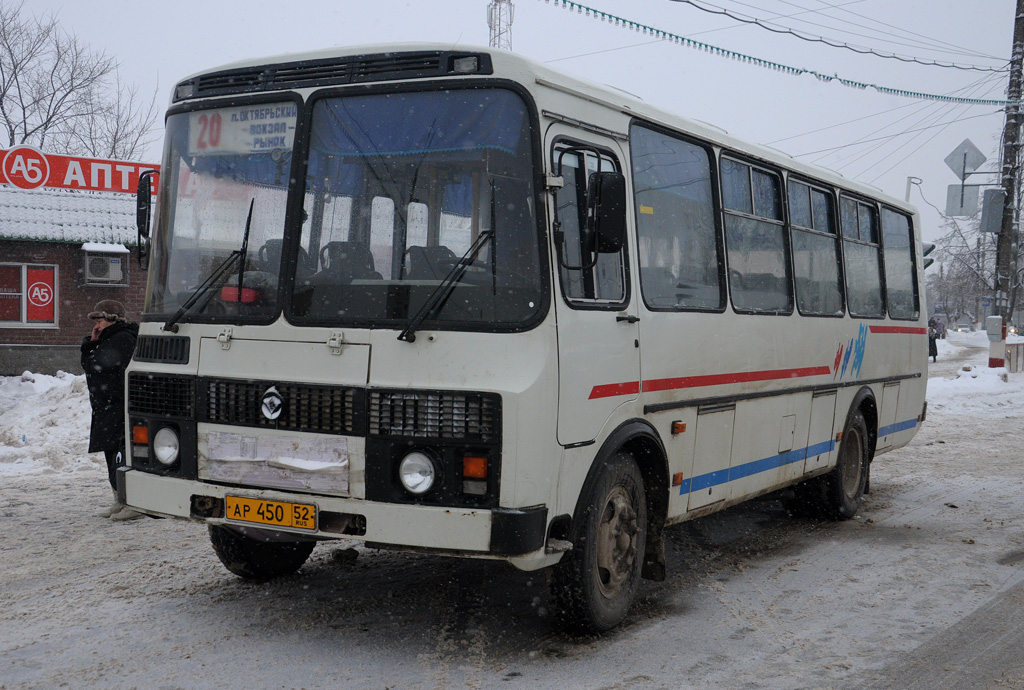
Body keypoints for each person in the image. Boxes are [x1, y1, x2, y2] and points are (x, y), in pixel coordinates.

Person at [80, 299, 141, 521]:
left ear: (113, 320)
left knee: (121, 455)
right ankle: (119, 500)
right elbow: (89, 366)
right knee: (110, 452)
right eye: (95, 320)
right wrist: (91, 342)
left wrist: (95, 346)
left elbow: (102, 368)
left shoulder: (123, 339)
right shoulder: (107, 339)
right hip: (106, 407)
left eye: (101, 319)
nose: (96, 324)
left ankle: (133, 503)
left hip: (118, 408)